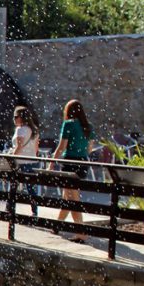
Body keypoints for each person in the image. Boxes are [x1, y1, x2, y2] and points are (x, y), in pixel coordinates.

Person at [50, 99, 97, 240]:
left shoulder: (68, 124)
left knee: (72, 198)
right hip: (82, 163)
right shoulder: (88, 126)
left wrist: (52, 162)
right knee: (67, 196)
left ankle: (81, 233)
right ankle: (56, 226)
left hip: (70, 163)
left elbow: (62, 146)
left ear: (68, 112)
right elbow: (89, 149)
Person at [10, 106, 41, 215]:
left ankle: (10, 208)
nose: (14, 119)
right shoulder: (34, 130)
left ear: (22, 117)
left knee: (13, 186)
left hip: (21, 162)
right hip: (32, 162)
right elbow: (36, 149)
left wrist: (12, 158)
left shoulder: (20, 129)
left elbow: (19, 147)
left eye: (15, 116)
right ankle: (35, 211)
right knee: (31, 189)